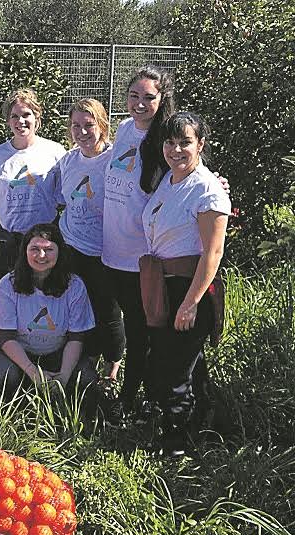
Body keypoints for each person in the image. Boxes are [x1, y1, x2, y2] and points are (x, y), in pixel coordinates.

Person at [140, 112, 229, 456]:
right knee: (181, 360)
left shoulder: (207, 190)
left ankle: (176, 443)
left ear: (201, 145)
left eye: (185, 142)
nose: (176, 149)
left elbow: (213, 252)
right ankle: (205, 422)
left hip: (189, 287)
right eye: (170, 142)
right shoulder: (170, 180)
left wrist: (190, 302)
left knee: (175, 367)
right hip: (163, 283)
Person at [101, 64, 177, 416]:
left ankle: (131, 400)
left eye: (149, 97)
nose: (140, 103)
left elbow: (190, 171)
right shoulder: (123, 129)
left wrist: (217, 182)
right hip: (111, 251)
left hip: (141, 256)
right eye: (134, 96)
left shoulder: (165, 141)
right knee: (127, 324)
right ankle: (138, 393)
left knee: (140, 331)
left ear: (162, 100)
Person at [39, 99, 124, 383]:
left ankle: (113, 367)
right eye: (76, 125)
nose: (83, 132)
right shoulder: (68, 161)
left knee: (107, 309)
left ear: (102, 125)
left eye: (89, 125)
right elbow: (60, 198)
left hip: (105, 250)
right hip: (72, 244)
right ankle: (83, 358)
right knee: (76, 306)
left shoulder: (115, 159)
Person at [0, 224, 104, 417]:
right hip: (18, 352)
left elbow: (77, 337)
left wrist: (64, 376)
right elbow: (5, 336)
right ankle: (15, 414)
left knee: (87, 379)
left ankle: (77, 418)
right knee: (2, 376)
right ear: (24, 251)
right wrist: (33, 373)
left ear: (59, 252)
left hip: (59, 351)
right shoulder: (7, 284)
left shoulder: (74, 285)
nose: (41, 255)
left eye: (49, 249)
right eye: (35, 249)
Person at [0, 88, 66, 282]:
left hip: (46, 241)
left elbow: (64, 196)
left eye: (26, 114)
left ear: (37, 117)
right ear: (7, 121)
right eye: (14, 116)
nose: (20, 121)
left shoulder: (55, 152)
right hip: (10, 243)